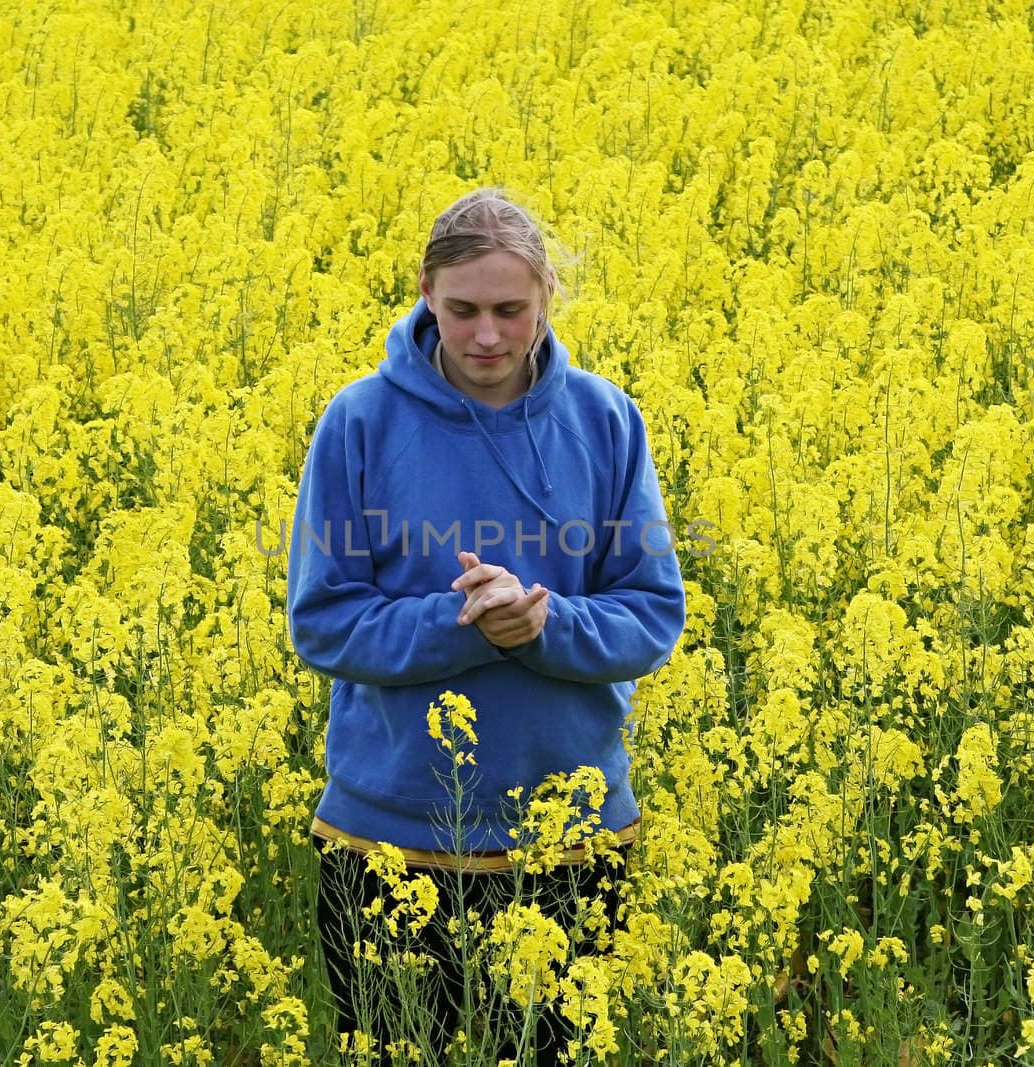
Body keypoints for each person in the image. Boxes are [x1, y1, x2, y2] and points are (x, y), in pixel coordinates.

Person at [286, 188, 686, 1063]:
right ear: (425, 291)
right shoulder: (358, 423)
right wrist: (466, 622)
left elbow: (651, 613)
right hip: (390, 836)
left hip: (572, 835)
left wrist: (541, 625)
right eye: (463, 309)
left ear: (547, 296)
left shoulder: (607, 422)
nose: (488, 337)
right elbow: (322, 620)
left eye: (512, 310)